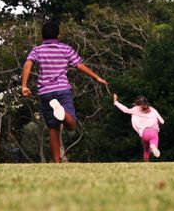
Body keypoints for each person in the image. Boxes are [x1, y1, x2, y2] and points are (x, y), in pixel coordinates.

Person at [21, 21, 108, 163]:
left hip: (45, 92)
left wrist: (24, 85)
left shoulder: (37, 50)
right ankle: (62, 111)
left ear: (42, 36)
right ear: (58, 35)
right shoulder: (65, 49)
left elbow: (27, 64)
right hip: (62, 89)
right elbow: (79, 65)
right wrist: (97, 77)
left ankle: (56, 163)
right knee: (72, 125)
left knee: (53, 129)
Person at [113, 94, 164, 162]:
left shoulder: (136, 109)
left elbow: (125, 110)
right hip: (153, 132)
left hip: (144, 133)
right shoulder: (153, 109)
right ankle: (153, 147)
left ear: (136, 103)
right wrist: (157, 122)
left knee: (146, 150)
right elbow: (162, 121)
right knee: (153, 143)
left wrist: (116, 102)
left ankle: (146, 163)